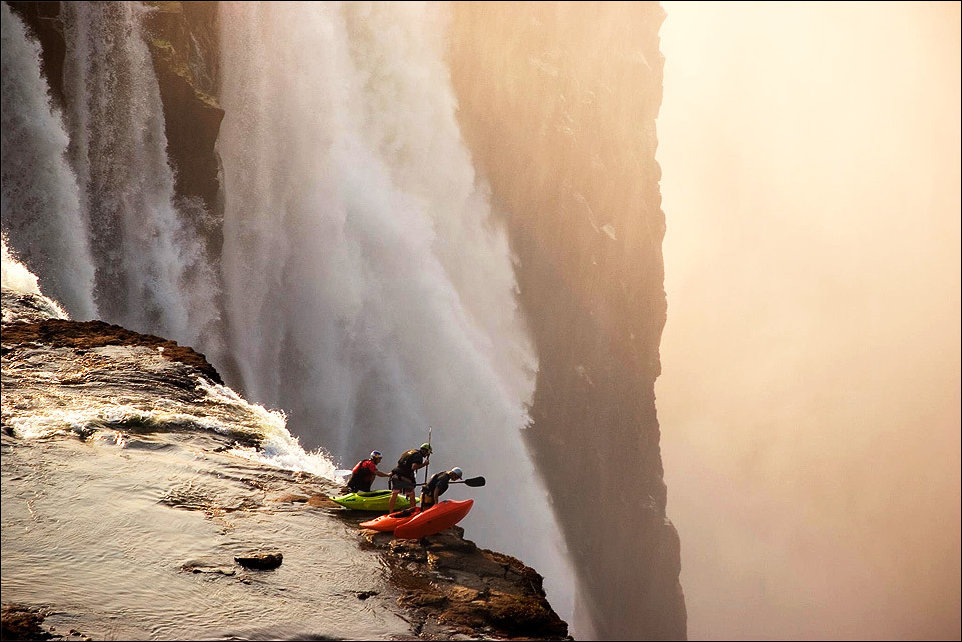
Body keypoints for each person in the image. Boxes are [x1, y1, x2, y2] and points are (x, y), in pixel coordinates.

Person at [387, 442, 432, 513]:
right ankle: (413, 512)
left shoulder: (410, 452)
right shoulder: (418, 456)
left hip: (395, 474)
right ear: (425, 451)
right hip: (404, 477)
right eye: (427, 453)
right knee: (411, 494)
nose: (427, 455)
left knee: (394, 494)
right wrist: (424, 464)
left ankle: (390, 512)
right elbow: (414, 467)